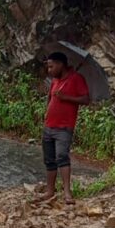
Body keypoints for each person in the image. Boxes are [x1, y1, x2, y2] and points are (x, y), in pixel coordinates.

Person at [42, 52, 90, 205]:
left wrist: (66, 97)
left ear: (60, 64)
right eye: (48, 67)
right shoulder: (55, 81)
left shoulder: (76, 79)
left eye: (51, 66)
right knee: (49, 159)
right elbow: (50, 97)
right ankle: (50, 191)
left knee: (62, 156)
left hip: (64, 127)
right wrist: (47, 111)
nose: (49, 70)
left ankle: (67, 192)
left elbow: (85, 99)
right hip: (49, 125)